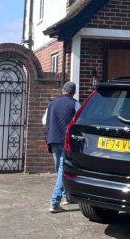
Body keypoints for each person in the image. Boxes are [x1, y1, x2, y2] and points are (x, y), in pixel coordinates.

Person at [44, 81, 80, 213]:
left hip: (53, 140)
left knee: (59, 170)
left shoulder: (52, 103)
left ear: (63, 90)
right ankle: (54, 202)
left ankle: (66, 196)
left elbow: (44, 121)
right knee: (62, 171)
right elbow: (79, 122)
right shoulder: (75, 104)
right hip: (66, 141)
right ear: (73, 92)